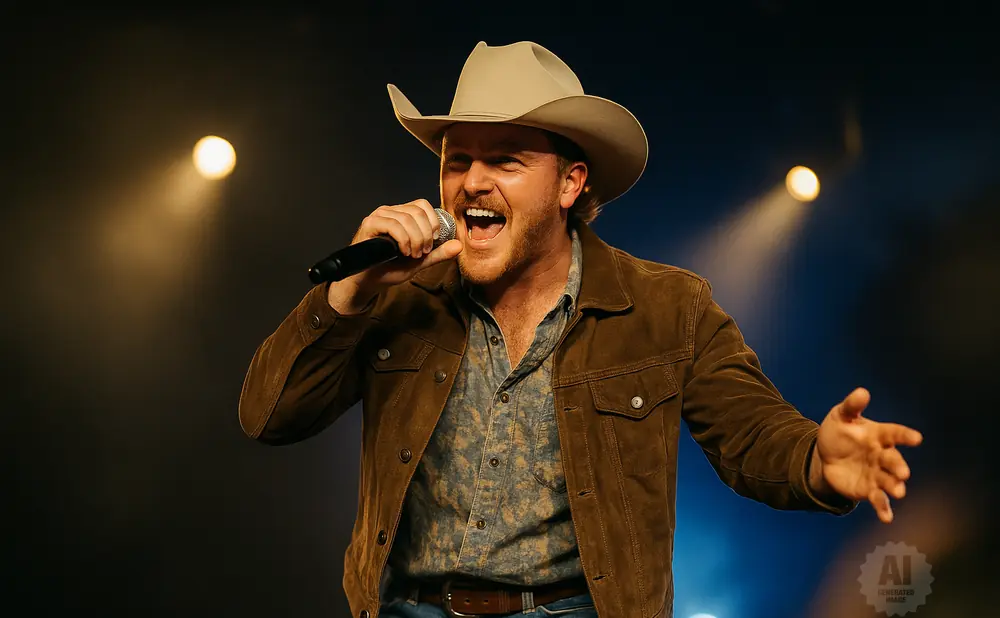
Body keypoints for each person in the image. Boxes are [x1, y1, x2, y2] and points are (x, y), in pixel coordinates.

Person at [238, 41, 924, 618]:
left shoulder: (666, 307)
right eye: (457, 160)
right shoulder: (396, 295)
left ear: (569, 184)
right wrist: (348, 293)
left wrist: (819, 463)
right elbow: (269, 416)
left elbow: (752, 437)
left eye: (504, 160)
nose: (471, 182)